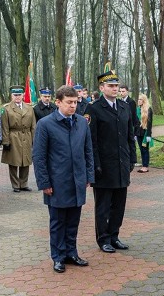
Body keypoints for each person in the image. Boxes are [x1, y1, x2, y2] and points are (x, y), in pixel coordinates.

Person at [33, 86, 95, 273]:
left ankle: (71, 253)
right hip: (57, 182)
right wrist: (44, 183)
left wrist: (88, 175)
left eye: (75, 102)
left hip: (77, 180)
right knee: (58, 222)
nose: (73, 106)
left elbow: (88, 151)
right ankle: (58, 256)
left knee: (73, 221)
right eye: (69, 102)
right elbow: (39, 156)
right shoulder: (45, 124)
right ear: (58, 102)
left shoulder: (82, 123)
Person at [85, 69, 137, 253]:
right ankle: (103, 239)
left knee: (119, 205)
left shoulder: (124, 107)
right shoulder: (93, 109)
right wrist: (95, 165)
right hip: (104, 167)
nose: (115, 89)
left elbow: (130, 135)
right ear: (102, 88)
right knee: (103, 206)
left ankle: (114, 235)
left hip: (122, 165)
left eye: (116, 86)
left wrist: (132, 158)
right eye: (111, 86)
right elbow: (91, 141)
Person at [1, 86, 36, 192]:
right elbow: (5, 126)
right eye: (15, 95)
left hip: (27, 136)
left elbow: (33, 125)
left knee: (26, 161)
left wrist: (35, 140)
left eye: (19, 95)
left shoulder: (29, 108)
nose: (17, 97)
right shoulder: (6, 109)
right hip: (13, 136)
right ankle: (15, 185)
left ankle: (24, 183)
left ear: (23, 95)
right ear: (11, 96)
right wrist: (6, 141)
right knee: (14, 162)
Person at [135, 93, 153, 173]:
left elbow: (149, 123)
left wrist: (148, 134)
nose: (138, 101)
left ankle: (145, 166)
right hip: (138, 132)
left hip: (145, 132)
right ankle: (143, 165)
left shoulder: (149, 109)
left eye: (140, 99)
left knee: (145, 149)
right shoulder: (138, 109)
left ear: (144, 100)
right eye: (138, 99)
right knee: (141, 149)